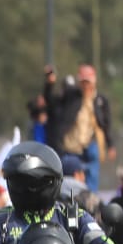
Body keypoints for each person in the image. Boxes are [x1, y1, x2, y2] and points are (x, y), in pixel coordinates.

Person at [44, 64, 113, 192]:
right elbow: (51, 103)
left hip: (90, 145)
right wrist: (49, 84)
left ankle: (91, 205)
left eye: (88, 82)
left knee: (91, 182)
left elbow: (106, 124)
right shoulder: (71, 96)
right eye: (83, 82)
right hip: (72, 147)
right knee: (70, 185)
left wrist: (110, 145)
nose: (86, 86)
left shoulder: (100, 100)